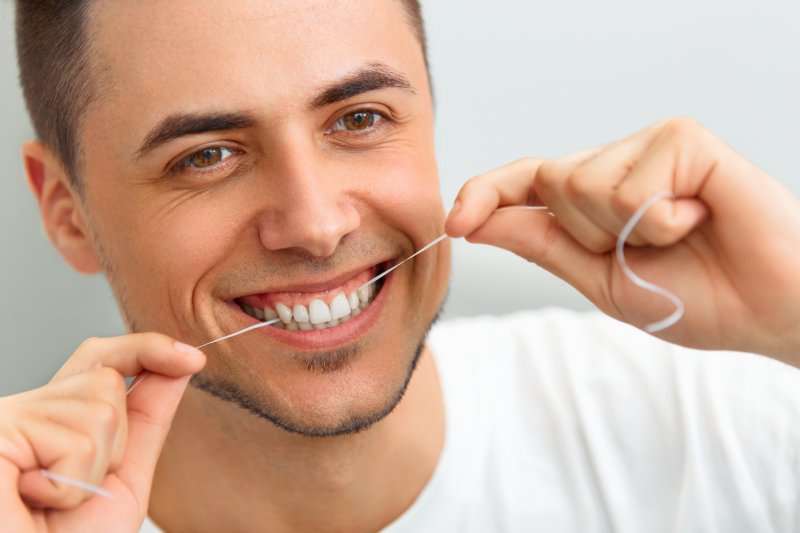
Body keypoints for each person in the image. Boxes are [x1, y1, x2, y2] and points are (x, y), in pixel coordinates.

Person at [2, 0, 799, 531]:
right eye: (207, 155)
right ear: (66, 211)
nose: (315, 224)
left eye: (359, 118)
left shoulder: (708, 418)